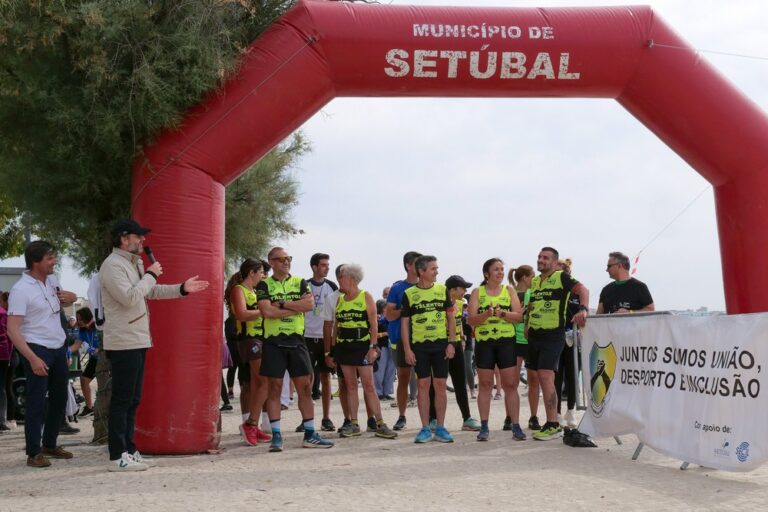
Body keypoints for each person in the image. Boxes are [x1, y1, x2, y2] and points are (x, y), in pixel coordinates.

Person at [99, 219, 209, 471]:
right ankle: (117, 456)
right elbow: (129, 298)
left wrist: (182, 288)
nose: (143, 240)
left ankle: (129, 450)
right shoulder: (112, 265)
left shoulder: (134, 263)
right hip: (123, 341)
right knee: (122, 399)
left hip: (138, 338)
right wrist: (150, 274)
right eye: (138, 236)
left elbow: (149, 292)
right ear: (124, 239)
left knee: (133, 399)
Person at [6, 240, 78, 467]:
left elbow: (57, 307)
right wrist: (33, 358)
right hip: (37, 348)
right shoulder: (21, 290)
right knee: (36, 401)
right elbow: (12, 330)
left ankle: (50, 444)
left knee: (60, 397)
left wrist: (73, 298)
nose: (54, 262)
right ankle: (33, 452)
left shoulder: (53, 281)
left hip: (58, 347)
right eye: (50, 258)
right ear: (36, 262)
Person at [257, 247, 333, 451]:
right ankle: (276, 436)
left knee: (305, 388)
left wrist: (281, 304)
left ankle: (310, 434)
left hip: (297, 340)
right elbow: (266, 311)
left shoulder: (300, 282)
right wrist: (293, 307)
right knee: (274, 389)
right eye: (281, 259)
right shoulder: (264, 284)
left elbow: (308, 305)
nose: (286, 262)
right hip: (273, 341)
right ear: (271, 262)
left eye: (288, 258)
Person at [526, 247, 589, 441]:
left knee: (546, 375)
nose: (541, 260)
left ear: (554, 262)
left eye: (545, 258)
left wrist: (583, 309)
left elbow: (583, 290)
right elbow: (532, 305)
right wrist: (527, 323)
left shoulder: (561, 277)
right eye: (539, 257)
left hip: (553, 333)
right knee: (540, 376)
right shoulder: (535, 281)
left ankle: (553, 424)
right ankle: (552, 421)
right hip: (534, 335)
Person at [333, 264, 397, 439]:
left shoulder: (365, 296)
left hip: (362, 346)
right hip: (344, 346)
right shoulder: (340, 300)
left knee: (368, 385)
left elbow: (374, 323)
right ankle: (354, 424)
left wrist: (373, 347)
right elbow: (336, 326)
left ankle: (380, 423)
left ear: (351, 278)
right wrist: (332, 350)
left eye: (341, 277)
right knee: (350, 385)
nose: (339, 280)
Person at [467, 259, 524, 441]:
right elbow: (470, 320)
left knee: (510, 385)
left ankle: (516, 426)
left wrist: (503, 314)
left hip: (506, 342)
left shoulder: (509, 290)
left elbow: (519, 317)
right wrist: (486, 314)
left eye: (501, 269)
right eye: (496, 270)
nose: (500, 272)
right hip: (485, 343)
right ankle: (484, 427)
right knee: (485, 385)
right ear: (487, 274)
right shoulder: (477, 292)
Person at [401, 255, 456, 444]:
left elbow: (450, 318)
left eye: (437, 268)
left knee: (440, 385)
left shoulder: (442, 290)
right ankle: (425, 428)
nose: (437, 272)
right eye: (433, 269)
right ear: (421, 271)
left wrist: (452, 342)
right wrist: (407, 349)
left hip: (441, 345)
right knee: (423, 385)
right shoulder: (409, 294)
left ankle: (440, 427)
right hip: (419, 346)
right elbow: (404, 323)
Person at [427, 275, 481, 433]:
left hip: (456, 345)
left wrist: (462, 338)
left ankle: (467, 419)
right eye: (463, 288)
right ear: (452, 290)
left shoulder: (460, 303)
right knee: (437, 384)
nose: (465, 291)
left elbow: (459, 323)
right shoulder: (438, 302)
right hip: (441, 345)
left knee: (460, 382)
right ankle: (433, 419)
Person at [229, 258, 272, 446]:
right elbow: (241, 314)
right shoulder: (239, 290)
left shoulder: (255, 291)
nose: (263, 275)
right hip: (249, 339)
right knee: (263, 381)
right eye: (261, 272)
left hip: (262, 338)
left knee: (258, 383)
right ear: (251, 272)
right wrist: (265, 311)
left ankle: (253, 425)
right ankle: (250, 424)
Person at [384, 250, 421, 431]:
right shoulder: (397, 288)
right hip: (400, 339)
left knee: (426, 379)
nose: (421, 266)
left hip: (425, 338)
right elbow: (388, 315)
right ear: (408, 265)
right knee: (403, 378)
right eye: (417, 263)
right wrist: (406, 311)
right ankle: (402, 416)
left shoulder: (429, 287)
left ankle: (430, 418)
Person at [302, 253, 337, 432]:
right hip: (306, 337)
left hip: (325, 339)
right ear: (314, 267)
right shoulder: (304, 285)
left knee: (326, 378)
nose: (327, 268)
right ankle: (306, 419)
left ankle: (326, 418)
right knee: (306, 379)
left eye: (328, 265)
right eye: (323, 265)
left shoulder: (332, 286)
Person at [508, 265, 540, 431]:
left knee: (534, 379)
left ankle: (533, 417)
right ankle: (510, 417)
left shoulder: (534, 293)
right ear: (525, 277)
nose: (534, 279)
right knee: (512, 382)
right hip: (514, 340)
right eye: (532, 276)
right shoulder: (510, 293)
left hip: (531, 340)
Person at [555, 259, 578, 428]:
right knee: (556, 377)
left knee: (572, 375)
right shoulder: (552, 290)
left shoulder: (576, 291)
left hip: (572, 339)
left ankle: (571, 410)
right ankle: (555, 413)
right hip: (554, 338)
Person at [69, 307, 100, 417]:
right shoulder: (83, 331)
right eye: (77, 319)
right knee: (84, 380)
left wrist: (99, 349)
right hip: (95, 359)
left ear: (87, 317)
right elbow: (76, 345)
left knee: (104, 383)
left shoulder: (98, 326)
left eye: (81, 319)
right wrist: (65, 351)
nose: (79, 321)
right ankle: (89, 407)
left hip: (105, 359)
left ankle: (104, 408)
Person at [373, 299, 395, 401]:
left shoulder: (391, 317)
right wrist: (384, 334)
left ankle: (387, 392)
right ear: (381, 308)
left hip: (392, 346)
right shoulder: (376, 318)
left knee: (390, 370)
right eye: (385, 307)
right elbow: (372, 334)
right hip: (382, 346)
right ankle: (378, 393)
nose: (387, 309)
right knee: (380, 371)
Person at [0, 291, 11, 432]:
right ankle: (2, 420)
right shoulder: (5, 314)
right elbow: (10, 337)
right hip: (3, 354)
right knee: (1, 387)